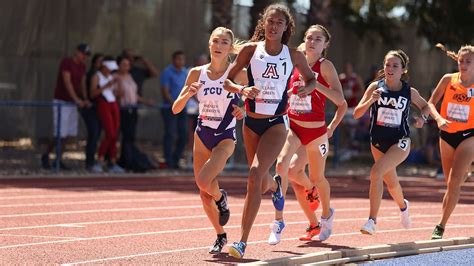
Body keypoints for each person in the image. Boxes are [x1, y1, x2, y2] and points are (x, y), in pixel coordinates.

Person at [224, 4, 317, 258]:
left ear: (287, 27)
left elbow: (312, 79)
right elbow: (228, 80)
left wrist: (305, 89)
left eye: (279, 23)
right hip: (251, 123)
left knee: (254, 176)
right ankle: (276, 187)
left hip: (276, 123)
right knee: (260, 179)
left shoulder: (293, 55)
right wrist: (242, 90)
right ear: (263, 23)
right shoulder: (250, 51)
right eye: (271, 21)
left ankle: (241, 242)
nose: (274, 26)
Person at [269, 24, 347, 245]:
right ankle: (278, 221)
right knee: (283, 167)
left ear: (325, 44)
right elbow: (285, 91)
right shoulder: (295, 62)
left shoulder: (326, 66)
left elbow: (340, 101)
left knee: (316, 177)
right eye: (309, 38)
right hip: (294, 128)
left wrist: (315, 85)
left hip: (315, 133)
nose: (312, 42)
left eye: (318, 39)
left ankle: (325, 215)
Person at [172, 27, 247, 254]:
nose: (219, 45)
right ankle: (220, 234)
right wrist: (187, 93)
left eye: (224, 42)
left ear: (230, 48)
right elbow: (176, 108)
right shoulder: (196, 73)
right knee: (204, 192)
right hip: (202, 134)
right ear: (209, 45)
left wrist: (243, 109)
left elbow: (252, 99)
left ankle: (221, 196)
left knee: (205, 180)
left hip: (225, 136)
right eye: (215, 41)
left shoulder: (238, 74)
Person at [353, 49, 431, 235]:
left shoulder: (408, 91)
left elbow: (426, 106)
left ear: (403, 70)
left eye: (395, 65)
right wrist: (369, 101)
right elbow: (357, 113)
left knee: (376, 172)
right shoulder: (375, 88)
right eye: (387, 64)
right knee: (391, 181)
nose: (390, 68)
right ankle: (404, 207)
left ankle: (372, 221)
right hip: (378, 141)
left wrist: (423, 119)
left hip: (400, 141)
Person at [428, 44, 474, 239]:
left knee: (454, 183)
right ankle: (467, 173)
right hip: (446, 134)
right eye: (461, 61)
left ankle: (441, 225)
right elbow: (431, 102)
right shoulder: (448, 79)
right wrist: (438, 119)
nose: (463, 65)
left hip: (468, 136)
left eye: (468, 62)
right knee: (450, 184)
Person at [41, 43, 90, 170]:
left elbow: (82, 84)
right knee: (60, 133)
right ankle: (46, 155)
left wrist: (84, 99)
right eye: (83, 53)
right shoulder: (67, 62)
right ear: (77, 52)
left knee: (68, 134)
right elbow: (67, 82)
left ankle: (58, 159)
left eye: (86, 55)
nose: (84, 57)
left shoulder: (83, 67)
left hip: (73, 104)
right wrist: (76, 99)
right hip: (61, 102)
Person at [115, 56, 155, 172]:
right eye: (123, 65)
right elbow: (117, 94)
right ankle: (124, 161)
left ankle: (128, 160)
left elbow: (134, 95)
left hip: (132, 110)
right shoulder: (115, 78)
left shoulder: (129, 76)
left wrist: (146, 101)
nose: (126, 67)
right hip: (123, 110)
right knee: (125, 136)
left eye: (128, 65)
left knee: (131, 136)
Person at [90, 57, 125, 173]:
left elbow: (114, 93)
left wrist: (118, 88)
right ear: (104, 67)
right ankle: (99, 161)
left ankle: (112, 161)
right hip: (103, 104)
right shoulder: (97, 76)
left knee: (115, 134)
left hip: (113, 103)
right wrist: (106, 86)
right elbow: (93, 93)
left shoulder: (111, 77)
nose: (111, 71)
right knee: (109, 133)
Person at [160, 50, 189, 169]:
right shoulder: (167, 72)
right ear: (173, 60)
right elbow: (165, 93)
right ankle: (168, 161)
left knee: (184, 135)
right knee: (170, 134)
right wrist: (176, 104)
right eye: (178, 59)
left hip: (183, 108)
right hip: (169, 108)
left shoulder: (186, 73)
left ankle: (176, 159)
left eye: (182, 59)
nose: (180, 61)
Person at [81, 53, 104, 172]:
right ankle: (89, 162)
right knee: (93, 133)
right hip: (90, 108)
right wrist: (86, 100)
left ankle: (95, 161)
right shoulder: (90, 75)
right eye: (100, 61)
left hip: (100, 109)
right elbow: (90, 93)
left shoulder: (104, 76)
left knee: (97, 135)